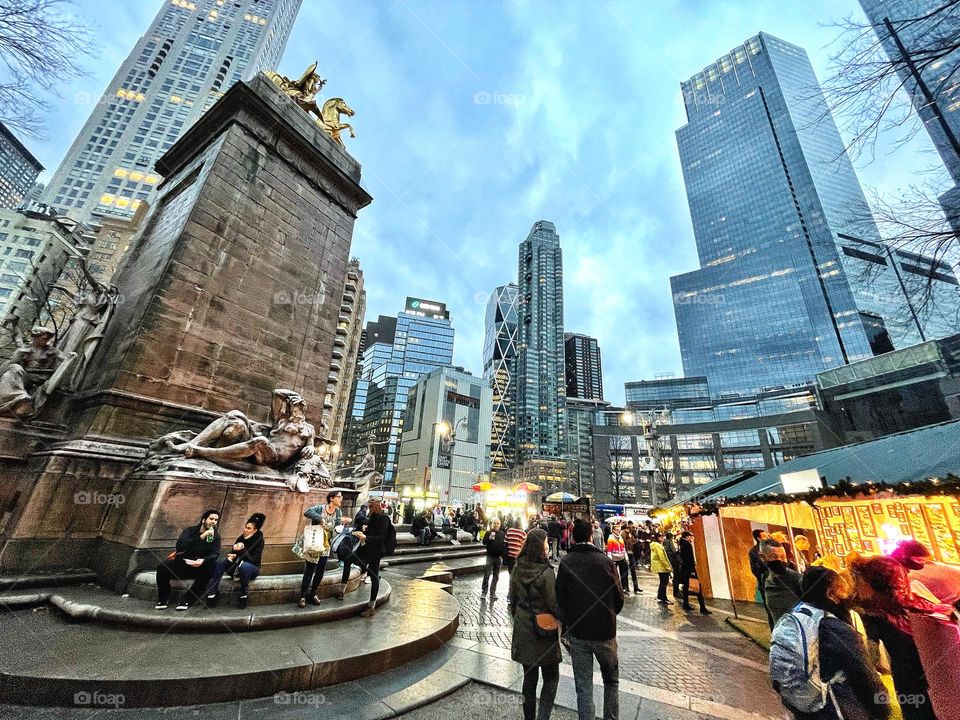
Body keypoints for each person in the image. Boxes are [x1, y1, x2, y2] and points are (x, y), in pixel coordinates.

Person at [772, 565, 891, 720]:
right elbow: (864, 674)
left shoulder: (796, 616)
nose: (847, 595)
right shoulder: (836, 628)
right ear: (830, 594)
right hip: (834, 707)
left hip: (803, 705)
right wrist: (883, 708)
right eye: (842, 590)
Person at [850, 555, 950, 720]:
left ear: (876, 583)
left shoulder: (874, 615)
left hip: (910, 684)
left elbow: (869, 656)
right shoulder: (922, 604)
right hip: (942, 678)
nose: (858, 585)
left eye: (862, 580)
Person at [557, 518, 623, 720]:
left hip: (578, 633)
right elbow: (619, 598)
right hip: (605, 632)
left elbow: (560, 597)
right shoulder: (607, 562)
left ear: (574, 538)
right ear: (590, 537)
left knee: (584, 686)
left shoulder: (567, 562)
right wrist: (609, 614)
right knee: (611, 681)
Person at [509, 528, 561, 720]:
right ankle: (543, 717)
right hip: (544, 630)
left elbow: (512, 598)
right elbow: (553, 604)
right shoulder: (547, 573)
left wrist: (520, 615)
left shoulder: (517, 567)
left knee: (529, 680)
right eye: (546, 542)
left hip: (524, 625)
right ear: (540, 546)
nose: (548, 546)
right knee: (551, 677)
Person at [155, 509, 221, 611]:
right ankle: (163, 598)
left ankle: (187, 599)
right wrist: (202, 537)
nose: (213, 522)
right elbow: (181, 546)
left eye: (216, 520)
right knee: (162, 567)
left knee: (212, 566)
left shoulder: (216, 537)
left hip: (199, 567)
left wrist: (202, 561)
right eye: (211, 519)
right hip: (183, 564)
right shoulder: (190, 531)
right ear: (204, 520)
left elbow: (215, 553)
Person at [337, 499, 391, 618]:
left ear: (374, 507)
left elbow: (381, 537)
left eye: (370, 508)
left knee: (374, 575)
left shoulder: (383, 518)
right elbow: (370, 531)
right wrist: (362, 532)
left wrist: (366, 537)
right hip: (365, 548)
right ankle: (341, 590)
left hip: (375, 551)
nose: (369, 510)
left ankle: (371, 606)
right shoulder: (372, 517)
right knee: (347, 560)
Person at [205, 512, 265, 609]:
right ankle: (212, 594)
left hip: (252, 568)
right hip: (237, 567)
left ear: (255, 530)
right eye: (245, 527)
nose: (245, 530)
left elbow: (253, 560)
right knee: (221, 562)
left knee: (245, 566)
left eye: (249, 528)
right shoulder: (241, 538)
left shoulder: (259, 540)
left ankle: (243, 595)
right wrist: (231, 556)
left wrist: (242, 550)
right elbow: (234, 554)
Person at [297, 490, 345, 608]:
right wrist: (320, 518)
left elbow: (337, 528)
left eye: (341, 497)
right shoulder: (320, 508)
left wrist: (342, 523)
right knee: (309, 570)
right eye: (339, 497)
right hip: (314, 543)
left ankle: (312, 593)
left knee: (320, 572)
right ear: (331, 498)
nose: (341, 499)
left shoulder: (338, 511)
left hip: (325, 545)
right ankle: (302, 596)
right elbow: (307, 512)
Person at [890, 538, 960, 608]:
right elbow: (903, 598)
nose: (922, 564)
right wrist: (933, 607)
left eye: (924, 561)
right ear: (904, 557)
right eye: (919, 560)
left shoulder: (898, 567)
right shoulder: (893, 570)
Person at [762, 539, 802, 626]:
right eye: (774, 557)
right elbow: (770, 613)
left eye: (783, 557)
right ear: (763, 558)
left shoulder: (796, 578)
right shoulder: (765, 579)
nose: (780, 560)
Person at [678, 530, 711, 614]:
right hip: (689, 569)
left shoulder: (682, 544)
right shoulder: (687, 545)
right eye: (691, 536)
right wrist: (692, 570)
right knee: (697, 587)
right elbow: (688, 559)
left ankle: (686, 604)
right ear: (687, 537)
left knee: (686, 587)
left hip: (685, 569)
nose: (693, 537)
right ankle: (702, 607)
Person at [748, 529, 772, 625]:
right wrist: (764, 577)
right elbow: (755, 569)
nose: (767, 537)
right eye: (764, 536)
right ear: (758, 538)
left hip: (776, 580)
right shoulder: (754, 551)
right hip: (765, 582)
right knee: (769, 607)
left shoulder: (771, 547)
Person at [481, 518, 507, 599]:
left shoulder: (502, 534)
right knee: (487, 575)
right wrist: (488, 538)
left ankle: (493, 592)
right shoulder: (489, 532)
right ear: (492, 524)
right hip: (490, 557)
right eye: (495, 523)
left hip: (498, 558)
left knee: (496, 576)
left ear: (500, 525)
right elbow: (484, 542)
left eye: (497, 523)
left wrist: (504, 557)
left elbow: (503, 546)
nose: (496, 525)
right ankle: (484, 592)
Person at [606, 525, 631, 595]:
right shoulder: (610, 539)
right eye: (617, 530)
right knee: (614, 574)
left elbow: (623, 549)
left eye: (619, 530)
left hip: (621, 558)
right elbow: (609, 551)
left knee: (623, 573)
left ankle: (623, 588)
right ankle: (614, 588)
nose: (619, 531)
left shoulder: (620, 538)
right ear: (613, 530)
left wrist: (626, 558)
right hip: (614, 558)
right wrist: (610, 560)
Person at [649, 532, 673, 605]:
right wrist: (668, 567)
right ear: (658, 538)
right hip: (662, 567)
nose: (663, 538)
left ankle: (661, 596)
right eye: (662, 537)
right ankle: (663, 598)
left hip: (659, 566)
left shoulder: (655, 545)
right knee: (664, 582)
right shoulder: (658, 546)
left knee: (663, 582)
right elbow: (662, 558)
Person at [621, 526, 641, 594]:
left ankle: (636, 587)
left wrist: (636, 541)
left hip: (631, 553)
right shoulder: (623, 534)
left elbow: (633, 542)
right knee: (625, 571)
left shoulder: (630, 534)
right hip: (626, 554)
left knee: (633, 571)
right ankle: (626, 587)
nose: (629, 530)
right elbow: (624, 543)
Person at [663, 531, 682, 598]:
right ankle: (676, 591)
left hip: (668, 559)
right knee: (676, 575)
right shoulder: (669, 541)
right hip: (672, 559)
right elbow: (673, 550)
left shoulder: (664, 541)